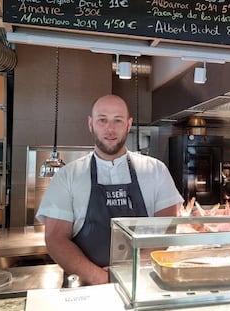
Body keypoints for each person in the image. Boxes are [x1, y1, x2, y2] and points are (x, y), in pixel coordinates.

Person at [36, 94, 183, 286]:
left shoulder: (156, 171)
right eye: (102, 120)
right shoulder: (67, 176)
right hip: (86, 288)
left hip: (141, 283)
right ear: (91, 123)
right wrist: (100, 278)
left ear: (129, 124)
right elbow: (56, 239)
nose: (110, 128)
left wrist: (131, 271)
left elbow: (166, 229)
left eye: (118, 120)